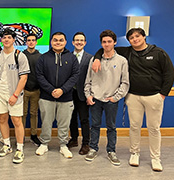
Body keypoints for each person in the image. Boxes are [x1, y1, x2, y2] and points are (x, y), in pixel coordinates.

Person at [92, 28, 174, 171]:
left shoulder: (158, 53)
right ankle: (134, 153)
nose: (135, 39)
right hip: (133, 96)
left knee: (154, 129)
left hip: (154, 96)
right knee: (134, 127)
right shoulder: (127, 52)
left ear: (144, 37)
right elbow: (106, 47)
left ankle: (156, 158)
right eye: (131, 37)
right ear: (128, 40)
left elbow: (169, 73)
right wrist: (97, 58)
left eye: (137, 36)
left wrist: (163, 94)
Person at [84, 30, 129, 166]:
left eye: (109, 41)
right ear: (101, 44)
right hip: (95, 99)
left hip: (111, 100)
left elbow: (125, 82)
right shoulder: (94, 60)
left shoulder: (122, 61)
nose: (107, 44)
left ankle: (111, 151)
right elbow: (88, 80)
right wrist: (88, 95)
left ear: (114, 42)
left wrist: (116, 97)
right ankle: (93, 149)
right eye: (104, 42)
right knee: (95, 125)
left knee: (111, 127)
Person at [0, 28, 30, 164]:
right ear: (1, 40)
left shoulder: (20, 56)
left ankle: (19, 149)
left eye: (9, 37)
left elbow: (24, 77)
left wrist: (15, 95)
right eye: (4, 37)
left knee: (17, 121)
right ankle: (6, 145)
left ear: (13, 39)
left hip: (15, 94)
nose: (6, 40)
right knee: (2, 119)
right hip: (0, 94)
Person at [35, 32, 79, 158]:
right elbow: (39, 76)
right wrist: (51, 90)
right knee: (46, 122)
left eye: (61, 40)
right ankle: (44, 144)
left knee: (64, 123)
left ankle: (63, 145)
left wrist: (62, 90)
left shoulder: (71, 58)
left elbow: (75, 76)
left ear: (65, 42)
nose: (58, 42)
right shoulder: (43, 58)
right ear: (51, 42)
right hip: (46, 97)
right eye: (55, 40)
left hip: (66, 98)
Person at [67, 32, 92, 155]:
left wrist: (90, 94)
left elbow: (93, 78)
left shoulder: (90, 58)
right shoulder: (68, 57)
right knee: (71, 118)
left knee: (84, 119)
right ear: (73, 42)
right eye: (77, 40)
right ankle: (74, 139)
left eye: (81, 40)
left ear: (85, 42)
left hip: (83, 93)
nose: (79, 42)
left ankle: (86, 143)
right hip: (70, 93)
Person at [22, 34, 42, 146]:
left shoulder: (40, 56)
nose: (31, 42)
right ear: (26, 42)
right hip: (23, 89)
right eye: (28, 40)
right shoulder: (21, 55)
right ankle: (22, 135)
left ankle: (34, 135)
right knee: (23, 113)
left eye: (33, 40)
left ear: (36, 42)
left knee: (34, 113)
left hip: (36, 90)